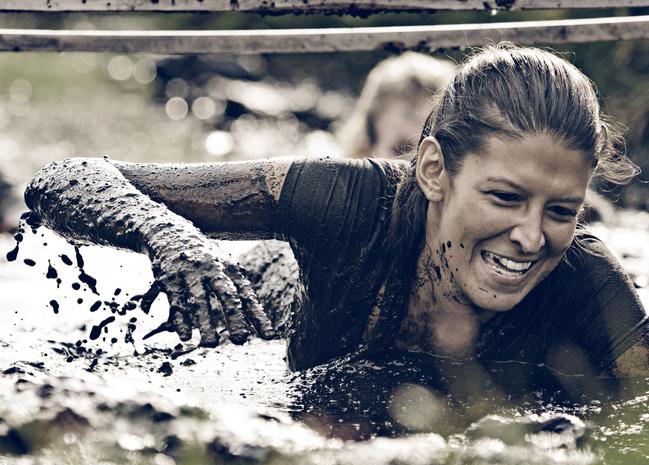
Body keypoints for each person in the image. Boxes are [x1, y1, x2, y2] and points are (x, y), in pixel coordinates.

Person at [24, 44, 649, 382]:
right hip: (278, 291)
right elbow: (66, 177)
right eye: (505, 198)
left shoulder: (589, 285)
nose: (532, 237)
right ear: (433, 170)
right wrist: (170, 236)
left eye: (562, 210)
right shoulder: (346, 202)